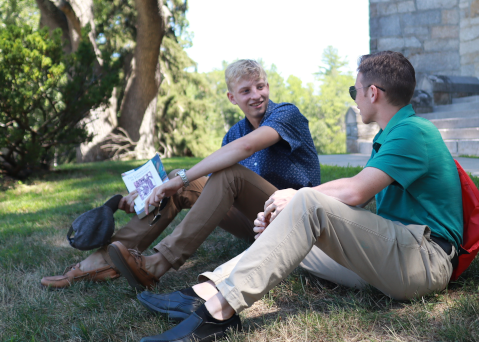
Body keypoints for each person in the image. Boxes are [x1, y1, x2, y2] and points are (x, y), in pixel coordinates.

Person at [136, 51, 464, 342]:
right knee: (292, 234)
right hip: (392, 259)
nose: (356, 99)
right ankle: (206, 292)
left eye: (356, 91)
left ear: (373, 92)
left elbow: (355, 190)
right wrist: (288, 214)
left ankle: (219, 313)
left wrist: (295, 197)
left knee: (304, 203)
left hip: (422, 260)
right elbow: (357, 200)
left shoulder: (414, 132)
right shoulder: (391, 135)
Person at [40, 60, 321, 291]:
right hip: (256, 224)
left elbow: (244, 149)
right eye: (246, 90)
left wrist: (181, 178)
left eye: (260, 86)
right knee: (178, 181)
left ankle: (155, 265)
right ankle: (102, 261)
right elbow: (213, 186)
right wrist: (156, 189)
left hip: (294, 219)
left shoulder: (287, 114)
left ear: (268, 87)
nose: (256, 95)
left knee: (213, 175)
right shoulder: (234, 131)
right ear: (232, 98)